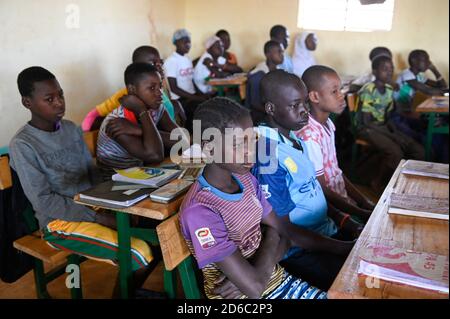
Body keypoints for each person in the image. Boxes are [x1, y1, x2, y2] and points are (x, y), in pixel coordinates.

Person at [180, 97, 353, 299]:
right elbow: (254, 289)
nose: (251, 152)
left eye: (251, 139)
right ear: (208, 147)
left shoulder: (246, 179)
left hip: (277, 282)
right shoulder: (200, 210)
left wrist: (347, 249)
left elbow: (287, 232)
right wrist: (272, 236)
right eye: (238, 144)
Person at [10, 67, 153, 295]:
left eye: (61, 95)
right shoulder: (23, 145)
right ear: (27, 102)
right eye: (49, 99)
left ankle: (129, 290)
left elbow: (92, 174)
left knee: (153, 231)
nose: (59, 103)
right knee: (139, 252)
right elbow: (44, 201)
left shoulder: (70, 128)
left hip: (93, 205)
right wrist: (98, 216)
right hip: (59, 222)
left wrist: (116, 199)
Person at [252, 70, 361, 290]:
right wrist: (344, 248)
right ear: (271, 109)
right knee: (358, 285)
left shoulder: (292, 139)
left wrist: (347, 223)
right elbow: (285, 231)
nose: (304, 111)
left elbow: (314, 192)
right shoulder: (267, 155)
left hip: (325, 234)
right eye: (294, 105)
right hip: (300, 251)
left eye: (304, 103)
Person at [296, 65, 375, 223]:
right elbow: (320, 190)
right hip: (329, 214)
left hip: (343, 203)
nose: (341, 96)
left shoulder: (328, 124)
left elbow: (335, 172)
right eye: (334, 91)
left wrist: (364, 201)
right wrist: (359, 212)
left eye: (341, 90)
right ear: (315, 97)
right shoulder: (310, 137)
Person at [96, 63, 184, 180]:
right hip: (114, 181)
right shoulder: (117, 121)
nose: (159, 93)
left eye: (160, 87)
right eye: (152, 88)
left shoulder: (157, 109)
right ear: (132, 89)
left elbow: (183, 141)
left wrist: (139, 129)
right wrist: (142, 111)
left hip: (142, 173)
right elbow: (155, 155)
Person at [356, 55, 425, 192]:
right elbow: (366, 122)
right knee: (395, 152)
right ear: (375, 72)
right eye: (384, 69)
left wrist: (394, 132)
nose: (389, 72)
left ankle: (406, 181)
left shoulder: (388, 89)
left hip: (382, 126)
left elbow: (388, 117)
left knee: (418, 150)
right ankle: (378, 181)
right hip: (367, 128)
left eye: (391, 68)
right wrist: (392, 136)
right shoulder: (368, 90)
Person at [81, 46, 185, 131]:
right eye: (153, 64)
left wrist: (174, 103)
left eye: (160, 62)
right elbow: (95, 113)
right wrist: (84, 133)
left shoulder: (158, 89)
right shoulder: (126, 95)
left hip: (168, 134)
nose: (159, 67)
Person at [164, 29, 209, 132]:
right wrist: (196, 98)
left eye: (189, 41)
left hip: (190, 96)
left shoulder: (187, 59)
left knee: (210, 100)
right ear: (175, 42)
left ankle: (202, 135)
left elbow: (191, 81)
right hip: (179, 99)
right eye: (184, 41)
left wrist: (200, 94)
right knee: (199, 108)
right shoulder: (171, 61)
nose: (188, 44)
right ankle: (193, 137)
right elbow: (174, 88)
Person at [395, 49, 448, 114]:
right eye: (426, 60)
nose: (429, 63)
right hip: (396, 111)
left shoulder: (420, 76)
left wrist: (434, 70)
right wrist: (446, 92)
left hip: (407, 109)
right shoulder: (406, 74)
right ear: (414, 61)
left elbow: (443, 86)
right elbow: (428, 91)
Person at [246, 41, 284, 125]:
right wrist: (275, 113)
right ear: (268, 54)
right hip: (258, 116)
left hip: (270, 110)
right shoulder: (258, 75)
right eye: (279, 51)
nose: (282, 54)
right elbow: (255, 103)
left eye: (282, 51)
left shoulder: (278, 71)